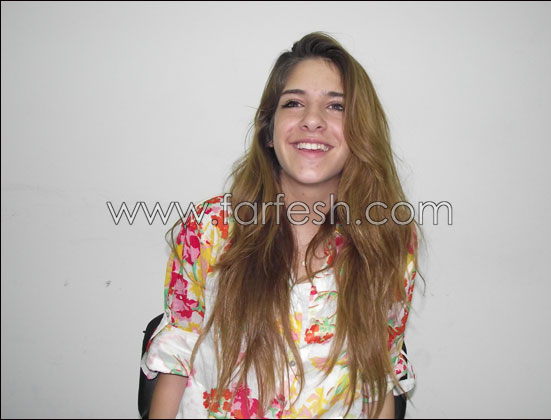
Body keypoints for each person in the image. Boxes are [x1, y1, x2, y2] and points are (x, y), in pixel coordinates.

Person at [141, 31, 420, 419]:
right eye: (294, 103)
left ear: (360, 132)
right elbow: (177, 353)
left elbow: (379, 374)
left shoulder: (388, 238)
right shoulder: (209, 229)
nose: (312, 120)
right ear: (268, 131)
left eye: (336, 106)